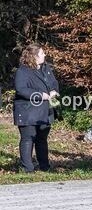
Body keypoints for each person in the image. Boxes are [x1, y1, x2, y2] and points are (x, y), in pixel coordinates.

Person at [13, 43, 59, 173]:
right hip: (27, 110)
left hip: (45, 110)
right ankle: (27, 168)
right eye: (42, 53)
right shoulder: (22, 71)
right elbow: (21, 89)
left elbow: (54, 83)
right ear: (34, 56)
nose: (45, 55)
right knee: (28, 138)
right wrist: (40, 95)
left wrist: (54, 91)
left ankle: (45, 166)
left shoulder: (46, 68)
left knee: (42, 139)